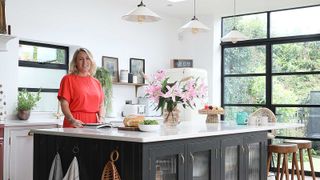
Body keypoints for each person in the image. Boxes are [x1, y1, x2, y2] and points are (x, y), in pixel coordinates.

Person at [58, 48, 105, 128]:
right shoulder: (68, 79)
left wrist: (101, 119)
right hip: (74, 122)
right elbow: (64, 104)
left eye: (87, 58)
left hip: (94, 124)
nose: (85, 62)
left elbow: (101, 104)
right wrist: (71, 120)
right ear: (75, 62)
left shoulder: (96, 82)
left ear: (91, 61)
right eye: (80, 59)